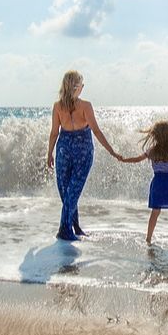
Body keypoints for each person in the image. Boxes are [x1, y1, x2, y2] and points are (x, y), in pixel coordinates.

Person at [47, 70, 121, 241]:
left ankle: (74, 227)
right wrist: (112, 150)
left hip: (64, 149)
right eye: (81, 84)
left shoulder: (58, 106)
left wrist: (49, 153)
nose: (83, 87)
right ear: (77, 87)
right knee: (70, 192)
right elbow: (95, 130)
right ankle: (65, 229)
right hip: (82, 150)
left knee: (69, 191)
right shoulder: (84, 106)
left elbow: (54, 133)